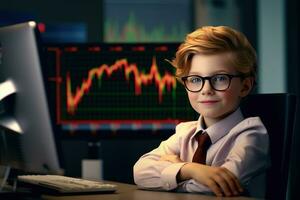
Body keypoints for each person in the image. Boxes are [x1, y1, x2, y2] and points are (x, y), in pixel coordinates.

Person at [133, 26, 269, 197]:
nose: (206, 89)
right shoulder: (185, 132)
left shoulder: (251, 135)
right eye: (196, 79)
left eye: (220, 78)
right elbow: (140, 172)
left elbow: (215, 188)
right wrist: (190, 169)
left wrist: (174, 169)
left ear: (245, 86)